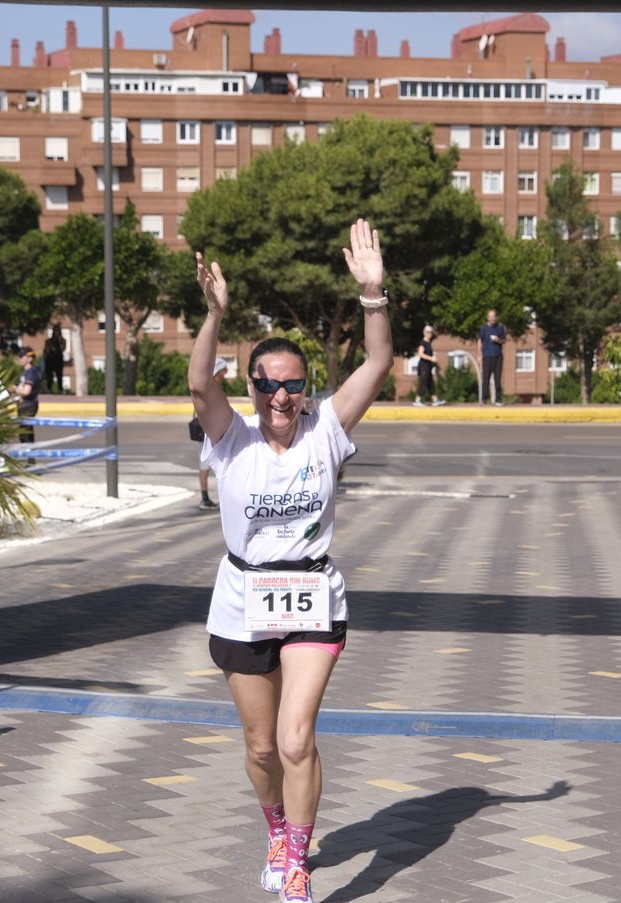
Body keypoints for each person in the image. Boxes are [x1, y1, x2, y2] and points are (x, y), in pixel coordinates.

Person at [188, 218, 392, 903]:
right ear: (249, 386)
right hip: (242, 596)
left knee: (297, 737)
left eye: (294, 384)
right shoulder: (231, 438)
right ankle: (276, 827)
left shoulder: (325, 431)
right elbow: (197, 384)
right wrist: (214, 316)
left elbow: (377, 364)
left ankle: (298, 862)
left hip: (311, 595)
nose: (282, 396)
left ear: (306, 387)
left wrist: (373, 296)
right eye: (269, 384)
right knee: (262, 748)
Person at [193, 359, 229, 509]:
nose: (225, 375)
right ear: (217, 372)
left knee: (208, 466)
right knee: (209, 466)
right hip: (209, 432)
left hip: (213, 431)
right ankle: (205, 499)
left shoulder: (210, 387)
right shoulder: (209, 389)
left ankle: (207, 498)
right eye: (223, 372)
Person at [412, 325, 446, 407]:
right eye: (428, 332)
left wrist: (433, 355)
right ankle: (417, 400)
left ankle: (435, 400)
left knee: (430, 383)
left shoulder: (428, 343)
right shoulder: (423, 343)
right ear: (424, 333)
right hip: (423, 366)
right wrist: (431, 358)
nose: (429, 334)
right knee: (423, 382)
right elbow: (420, 353)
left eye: (431, 332)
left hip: (428, 366)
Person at [477, 309, 505, 405]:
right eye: (490, 316)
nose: (492, 318)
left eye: (493, 316)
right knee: (486, 378)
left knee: (497, 378)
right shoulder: (483, 328)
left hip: (498, 356)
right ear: (487, 318)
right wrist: (479, 355)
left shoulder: (500, 328)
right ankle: (484, 399)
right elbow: (479, 341)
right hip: (487, 356)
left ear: (496, 317)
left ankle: (498, 399)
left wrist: (498, 340)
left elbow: (503, 340)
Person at [13, 347, 40, 443]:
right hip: (24, 405)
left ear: (29, 358)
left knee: (25, 433)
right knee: (25, 432)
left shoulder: (31, 373)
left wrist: (14, 389)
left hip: (29, 405)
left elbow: (26, 391)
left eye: (22, 356)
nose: (20, 359)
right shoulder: (25, 373)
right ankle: (30, 456)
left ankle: (30, 455)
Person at [43, 327, 65, 393]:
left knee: (59, 376)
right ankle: (49, 388)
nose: (56, 333)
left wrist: (59, 340)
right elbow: (46, 350)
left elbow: (63, 348)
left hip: (58, 360)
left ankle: (60, 389)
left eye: (58, 331)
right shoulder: (48, 341)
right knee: (49, 376)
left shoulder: (62, 340)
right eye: (55, 331)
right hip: (50, 360)